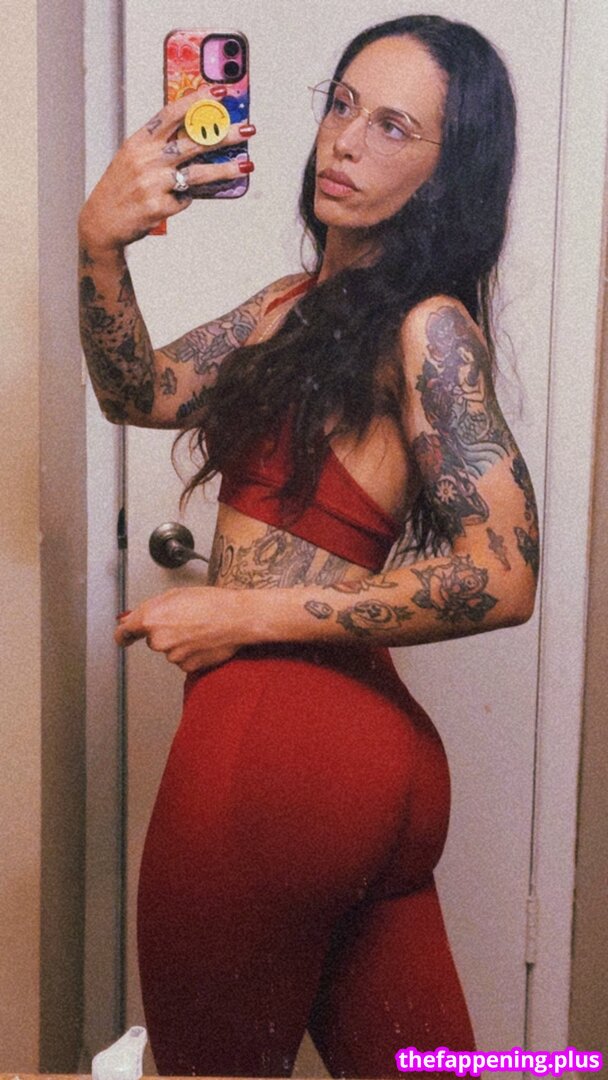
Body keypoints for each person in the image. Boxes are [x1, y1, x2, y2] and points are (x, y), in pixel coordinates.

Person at [79, 14, 539, 1079]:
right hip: (370, 765)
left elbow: (504, 574)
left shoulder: (426, 327)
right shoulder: (290, 308)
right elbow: (137, 389)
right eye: (341, 105)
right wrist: (99, 242)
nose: (344, 141)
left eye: (393, 127)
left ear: (446, 172)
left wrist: (238, 612)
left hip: (274, 750)